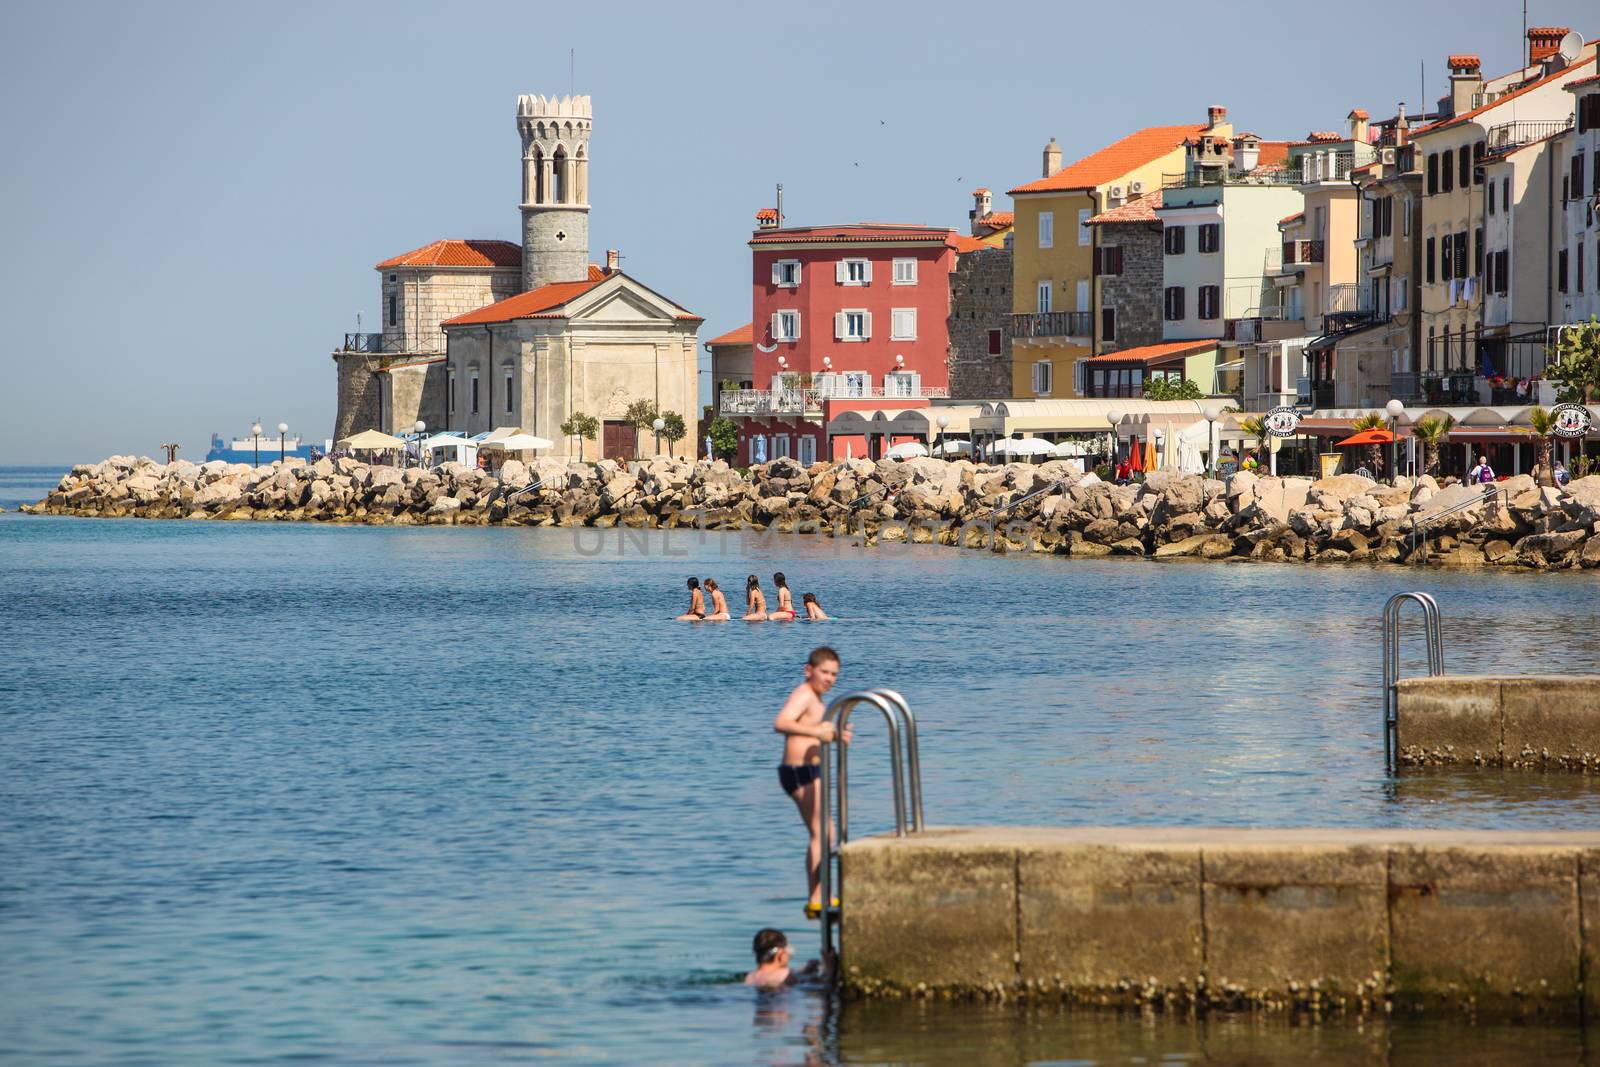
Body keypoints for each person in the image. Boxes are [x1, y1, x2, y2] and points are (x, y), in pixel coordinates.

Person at [773, 647, 850, 919]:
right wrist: (817, 731)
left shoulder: (818, 700)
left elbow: (818, 733)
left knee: (828, 832)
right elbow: (781, 722)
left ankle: (822, 893)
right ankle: (817, 896)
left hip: (812, 771)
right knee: (822, 833)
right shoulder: (804, 693)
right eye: (824, 672)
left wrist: (837, 735)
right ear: (809, 670)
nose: (829, 678)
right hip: (797, 771)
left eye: (834, 674)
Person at [744, 928, 833, 988]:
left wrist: (806, 969)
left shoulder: (750, 977)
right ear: (780, 954)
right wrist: (830, 969)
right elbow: (825, 984)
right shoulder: (785, 974)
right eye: (788, 950)